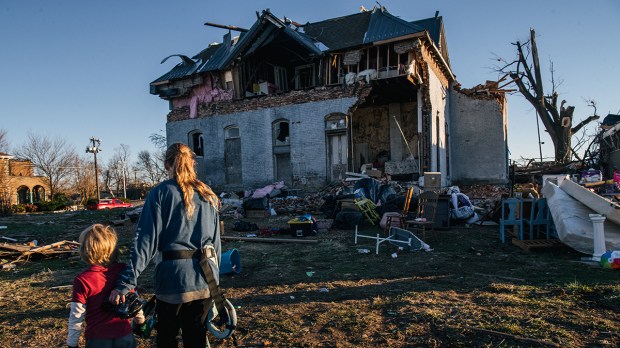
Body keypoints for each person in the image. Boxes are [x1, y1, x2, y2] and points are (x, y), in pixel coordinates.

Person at [109, 143, 221, 348]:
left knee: (167, 338)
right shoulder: (208, 195)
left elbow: (145, 242)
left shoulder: (160, 193)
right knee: (196, 338)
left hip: (172, 281)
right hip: (204, 280)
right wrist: (215, 280)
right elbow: (216, 245)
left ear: (166, 164)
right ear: (192, 164)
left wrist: (126, 283)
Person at [67, 224, 145, 348]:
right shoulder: (125, 272)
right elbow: (134, 301)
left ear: (86, 251)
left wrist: (72, 343)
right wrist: (140, 322)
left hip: (97, 339)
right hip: (124, 336)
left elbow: (76, 316)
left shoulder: (83, 280)